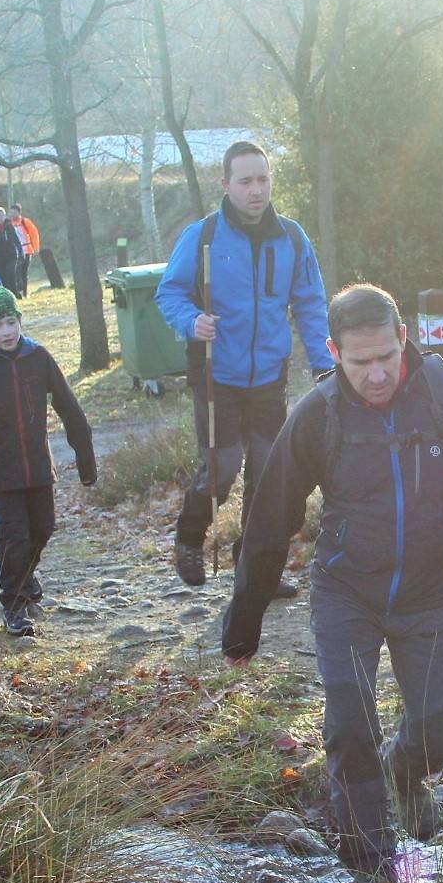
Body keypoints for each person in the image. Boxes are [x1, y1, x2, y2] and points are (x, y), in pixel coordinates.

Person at [220, 284, 443, 883]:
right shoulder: (318, 415)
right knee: (350, 724)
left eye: (386, 357)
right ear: (335, 353)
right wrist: (246, 616)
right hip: (346, 592)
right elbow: (270, 517)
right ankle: (371, 869)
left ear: (404, 341)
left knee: (435, 736)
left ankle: (408, 771)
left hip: (433, 591)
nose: (375, 375)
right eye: (358, 362)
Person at [157, 140, 334, 594]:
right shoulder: (203, 237)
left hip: (269, 376)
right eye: (246, 181)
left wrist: (325, 366)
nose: (256, 190)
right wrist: (191, 320)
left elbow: (310, 305)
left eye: (263, 179)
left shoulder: (293, 238)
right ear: (226, 185)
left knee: (267, 472)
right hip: (216, 371)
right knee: (222, 465)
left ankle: (254, 569)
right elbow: (169, 294)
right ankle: (189, 539)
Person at [0, 287, 96, 637]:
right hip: (2, 465)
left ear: (19, 321)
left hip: (38, 463)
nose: (6, 331)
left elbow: (68, 405)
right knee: (15, 535)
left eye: (11, 322)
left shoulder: (38, 356)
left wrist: (84, 454)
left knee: (43, 527)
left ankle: (25, 576)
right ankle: (13, 603)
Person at [0, 207, 25, 296]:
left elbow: (16, 241)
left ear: (4, 216)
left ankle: (14, 294)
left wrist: (21, 253)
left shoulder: (9, 227)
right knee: (1, 277)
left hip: (11, 256)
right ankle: (5, 296)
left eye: (1, 216)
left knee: (10, 275)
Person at [7, 203, 41, 296]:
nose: (12, 214)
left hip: (27, 250)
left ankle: (25, 293)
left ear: (19, 212)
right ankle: (19, 291)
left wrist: (36, 248)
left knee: (23, 273)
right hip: (15, 252)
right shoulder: (8, 223)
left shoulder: (25, 222)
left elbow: (34, 235)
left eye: (14, 212)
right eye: (11, 212)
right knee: (16, 272)